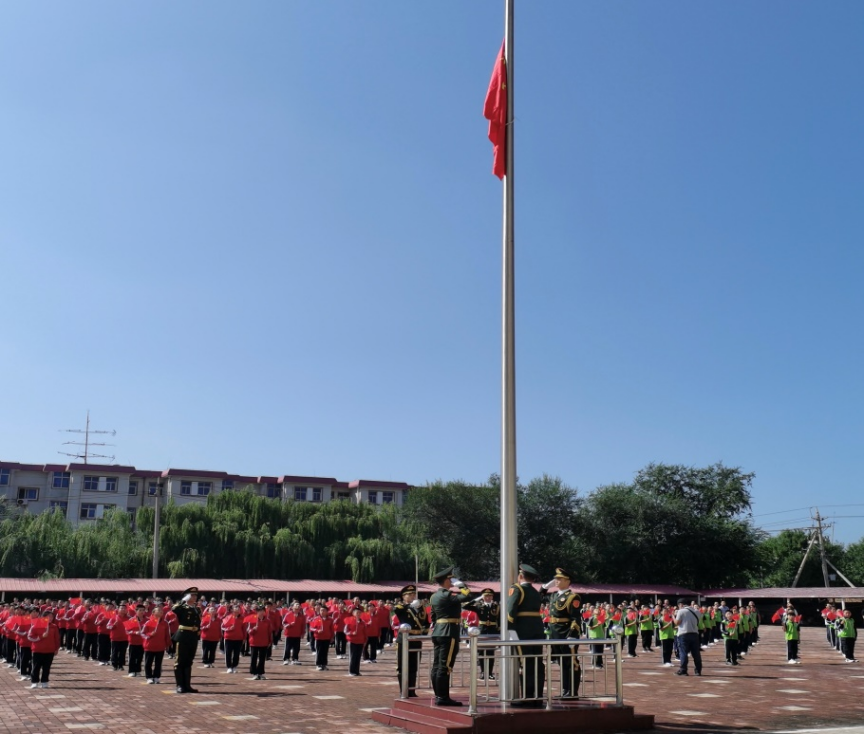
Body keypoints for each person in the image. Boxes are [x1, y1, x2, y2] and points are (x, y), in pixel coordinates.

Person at [430, 566, 472, 706]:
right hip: (448, 632)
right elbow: (467, 595)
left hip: (438, 631)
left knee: (437, 665)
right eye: (450, 579)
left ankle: (439, 695)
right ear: (447, 581)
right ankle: (443, 697)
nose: (452, 581)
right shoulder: (446, 595)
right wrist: (462, 585)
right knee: (445, 665)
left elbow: (433, 616)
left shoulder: (434, 596)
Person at [507, 563, 546, 707]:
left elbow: (511, 611)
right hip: (537, 629)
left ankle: (528, 697)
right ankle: (538, 696)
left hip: (523, 630)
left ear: (521, 576)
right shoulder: (535, 592)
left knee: (526, 663)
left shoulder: (516, 589)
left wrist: (510, 630)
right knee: (537, 663)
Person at [543, 568, 581, 698]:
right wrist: (545, 586)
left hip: (566, 633)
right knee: (562, 662)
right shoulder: (554, 595)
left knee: (571, 662)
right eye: (556, 579)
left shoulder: (572, 597)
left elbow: (576, 619)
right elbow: (539, 596)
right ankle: (565, 690)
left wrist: (572, 635)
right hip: (555, 634)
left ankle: (572, 691)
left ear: (567, 581)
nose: (556, 581)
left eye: (559, 579)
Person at [392, 584, 429, 697]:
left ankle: (411, 690)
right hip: (404, 639)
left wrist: (424, 633)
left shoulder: (420, 608)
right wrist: (409, 606)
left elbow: (426, 623)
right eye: (410, 594)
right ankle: (403, 690)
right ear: (404, 596)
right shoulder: (401, 607)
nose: (413, 596)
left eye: (414, 594)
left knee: (414, 666)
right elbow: (396, 610)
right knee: (403, 666)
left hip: (416, 639)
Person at [461, 587, 500, 681]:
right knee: (482, 652)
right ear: (483, 597)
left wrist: (499, 631)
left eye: (490, 596)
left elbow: (499, 619)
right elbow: (465, 606)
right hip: (482, 631)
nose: (488, 598)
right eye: (486, 596)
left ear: (492, 596)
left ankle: (490, 673)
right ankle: (483, 673)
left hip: (492, 631)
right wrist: (477, 598)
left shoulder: (497, 606)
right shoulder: (479, 605)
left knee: (491, 653)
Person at [171, 586, 202, 693]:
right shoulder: (182, 607)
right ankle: (179, 685)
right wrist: (183, 600)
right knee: (180, 661)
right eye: (192, 595)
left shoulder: (196, 609)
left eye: (195, 595)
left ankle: (187, 685)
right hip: (183, 635)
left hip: (193, 636)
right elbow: (174, 609)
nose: (195, 597)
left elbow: (197, 622)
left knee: (189, 661)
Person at [27, 609, 60, 689]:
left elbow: (57, 639)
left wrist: (56, 649)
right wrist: (41, 637)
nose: (51, 618)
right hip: (38, 650)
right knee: (36, 667)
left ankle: (44, 681)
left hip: (49, 651)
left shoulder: (54, 627)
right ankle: (34, 682)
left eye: (52, 617)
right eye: (49, 616)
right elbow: (30, 637)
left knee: (46, 667)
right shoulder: (36, 625)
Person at [142, 605, 171, 684]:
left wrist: (168, 644)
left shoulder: (165, 623)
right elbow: (142, 634)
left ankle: (156, 677)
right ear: (153, 612)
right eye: (158, 610)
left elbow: (167, 635)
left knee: (158, 663)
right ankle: (149, 677)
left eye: (161, 611)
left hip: (160, 647)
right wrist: (150, 634)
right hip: (149, 646)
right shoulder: (148, 622)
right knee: (148, 663)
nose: (161, 612)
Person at [673, 599, 702, 676]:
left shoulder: (681, 611)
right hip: (695, 634)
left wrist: (673, 616)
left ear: (680, 604)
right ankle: (698, 670)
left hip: (683, 634)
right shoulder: (697, 611)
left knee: (683, 652)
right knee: (696, 653)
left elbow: (677, 622)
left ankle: (683, 670)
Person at [247, 606, 274, 680]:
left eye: (262, 611)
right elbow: (249, 631)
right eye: (259, 611)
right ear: (257, 612)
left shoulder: (267, 621)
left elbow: (270, 632)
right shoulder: (252, 620)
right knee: (254, 658)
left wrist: (270, 641)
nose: (261, 612)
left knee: (262, 658)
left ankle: (260, 672)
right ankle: (254, 673)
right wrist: (253, 629)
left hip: (264, 642)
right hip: (254, 642)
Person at [344, 606, 368, 677]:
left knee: (358, 657)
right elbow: (345, 631)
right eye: (357, 612)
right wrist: (351, 633)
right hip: (352, 641)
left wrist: (365, 640)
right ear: (353, 613)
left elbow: (365, 632)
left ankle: (357, 671)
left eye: (360, 613)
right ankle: (351, 671)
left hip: (360, 641)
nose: (358, 614)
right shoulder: (349, 620)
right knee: (353, 656)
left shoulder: (363, 622)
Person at [221, 605, 245, 674]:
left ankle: (234, 666)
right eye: (236, 607)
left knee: (236, 653)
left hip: (239, 638)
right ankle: (229, 667)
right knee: (228, 653)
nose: (237, 609)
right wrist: (229, 629)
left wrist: (244, 638)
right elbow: (222, 627)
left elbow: (244, 629)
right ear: (232, 610)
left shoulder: (242, 618)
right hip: (229, 638)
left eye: (238, 607)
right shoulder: (228, 617)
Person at [124, 605, 146, 678]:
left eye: (143, 610)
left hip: (142, 642)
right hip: (133, 642)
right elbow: (126, 631)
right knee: (132, 657)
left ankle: (138, 670)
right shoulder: (130, 620)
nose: (142, 612)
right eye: (140, 610)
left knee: (140, 657)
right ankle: (131, 671)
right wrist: (134, 632)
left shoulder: (147, 620)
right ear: (136, 611)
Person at [281, 601, 305, 665]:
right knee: (288, 647)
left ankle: (295, 659)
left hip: (297, 634)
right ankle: (286, 659)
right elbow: (283, 623)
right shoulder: (288, 614)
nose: (297, 606)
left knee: (297, 647)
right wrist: (289, 624)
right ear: (293, 607)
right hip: (289, 634)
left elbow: (303, 625)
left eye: (298, 605)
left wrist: (302, 633)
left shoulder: (301, 616)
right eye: (296, 605)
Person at [199, 602, 221, 668]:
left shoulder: (218, 619)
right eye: (211, 609)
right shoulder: (205, 618)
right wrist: (206, 627)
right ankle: (205, 662)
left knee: (213, 651)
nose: (213, 610)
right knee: (206, 650)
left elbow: (219, 628)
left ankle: (211, 661)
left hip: (215, 638)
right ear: (208, 611)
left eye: (214, 609)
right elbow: (201, 627)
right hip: (206, 637)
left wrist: (220, 636)